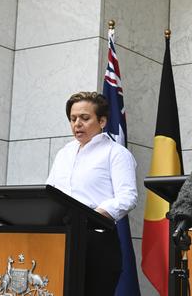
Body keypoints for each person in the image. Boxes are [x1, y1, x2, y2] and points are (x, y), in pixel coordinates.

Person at [46, 91, 137, 295]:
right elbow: (50, 193)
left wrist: (91, 217)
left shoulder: (117, 153)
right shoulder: (64, 153)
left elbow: (128, 197)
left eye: (85, 118)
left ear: (102, 121)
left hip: (97, 244)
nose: (77, 124)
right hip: (59, 241)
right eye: (73, 119)